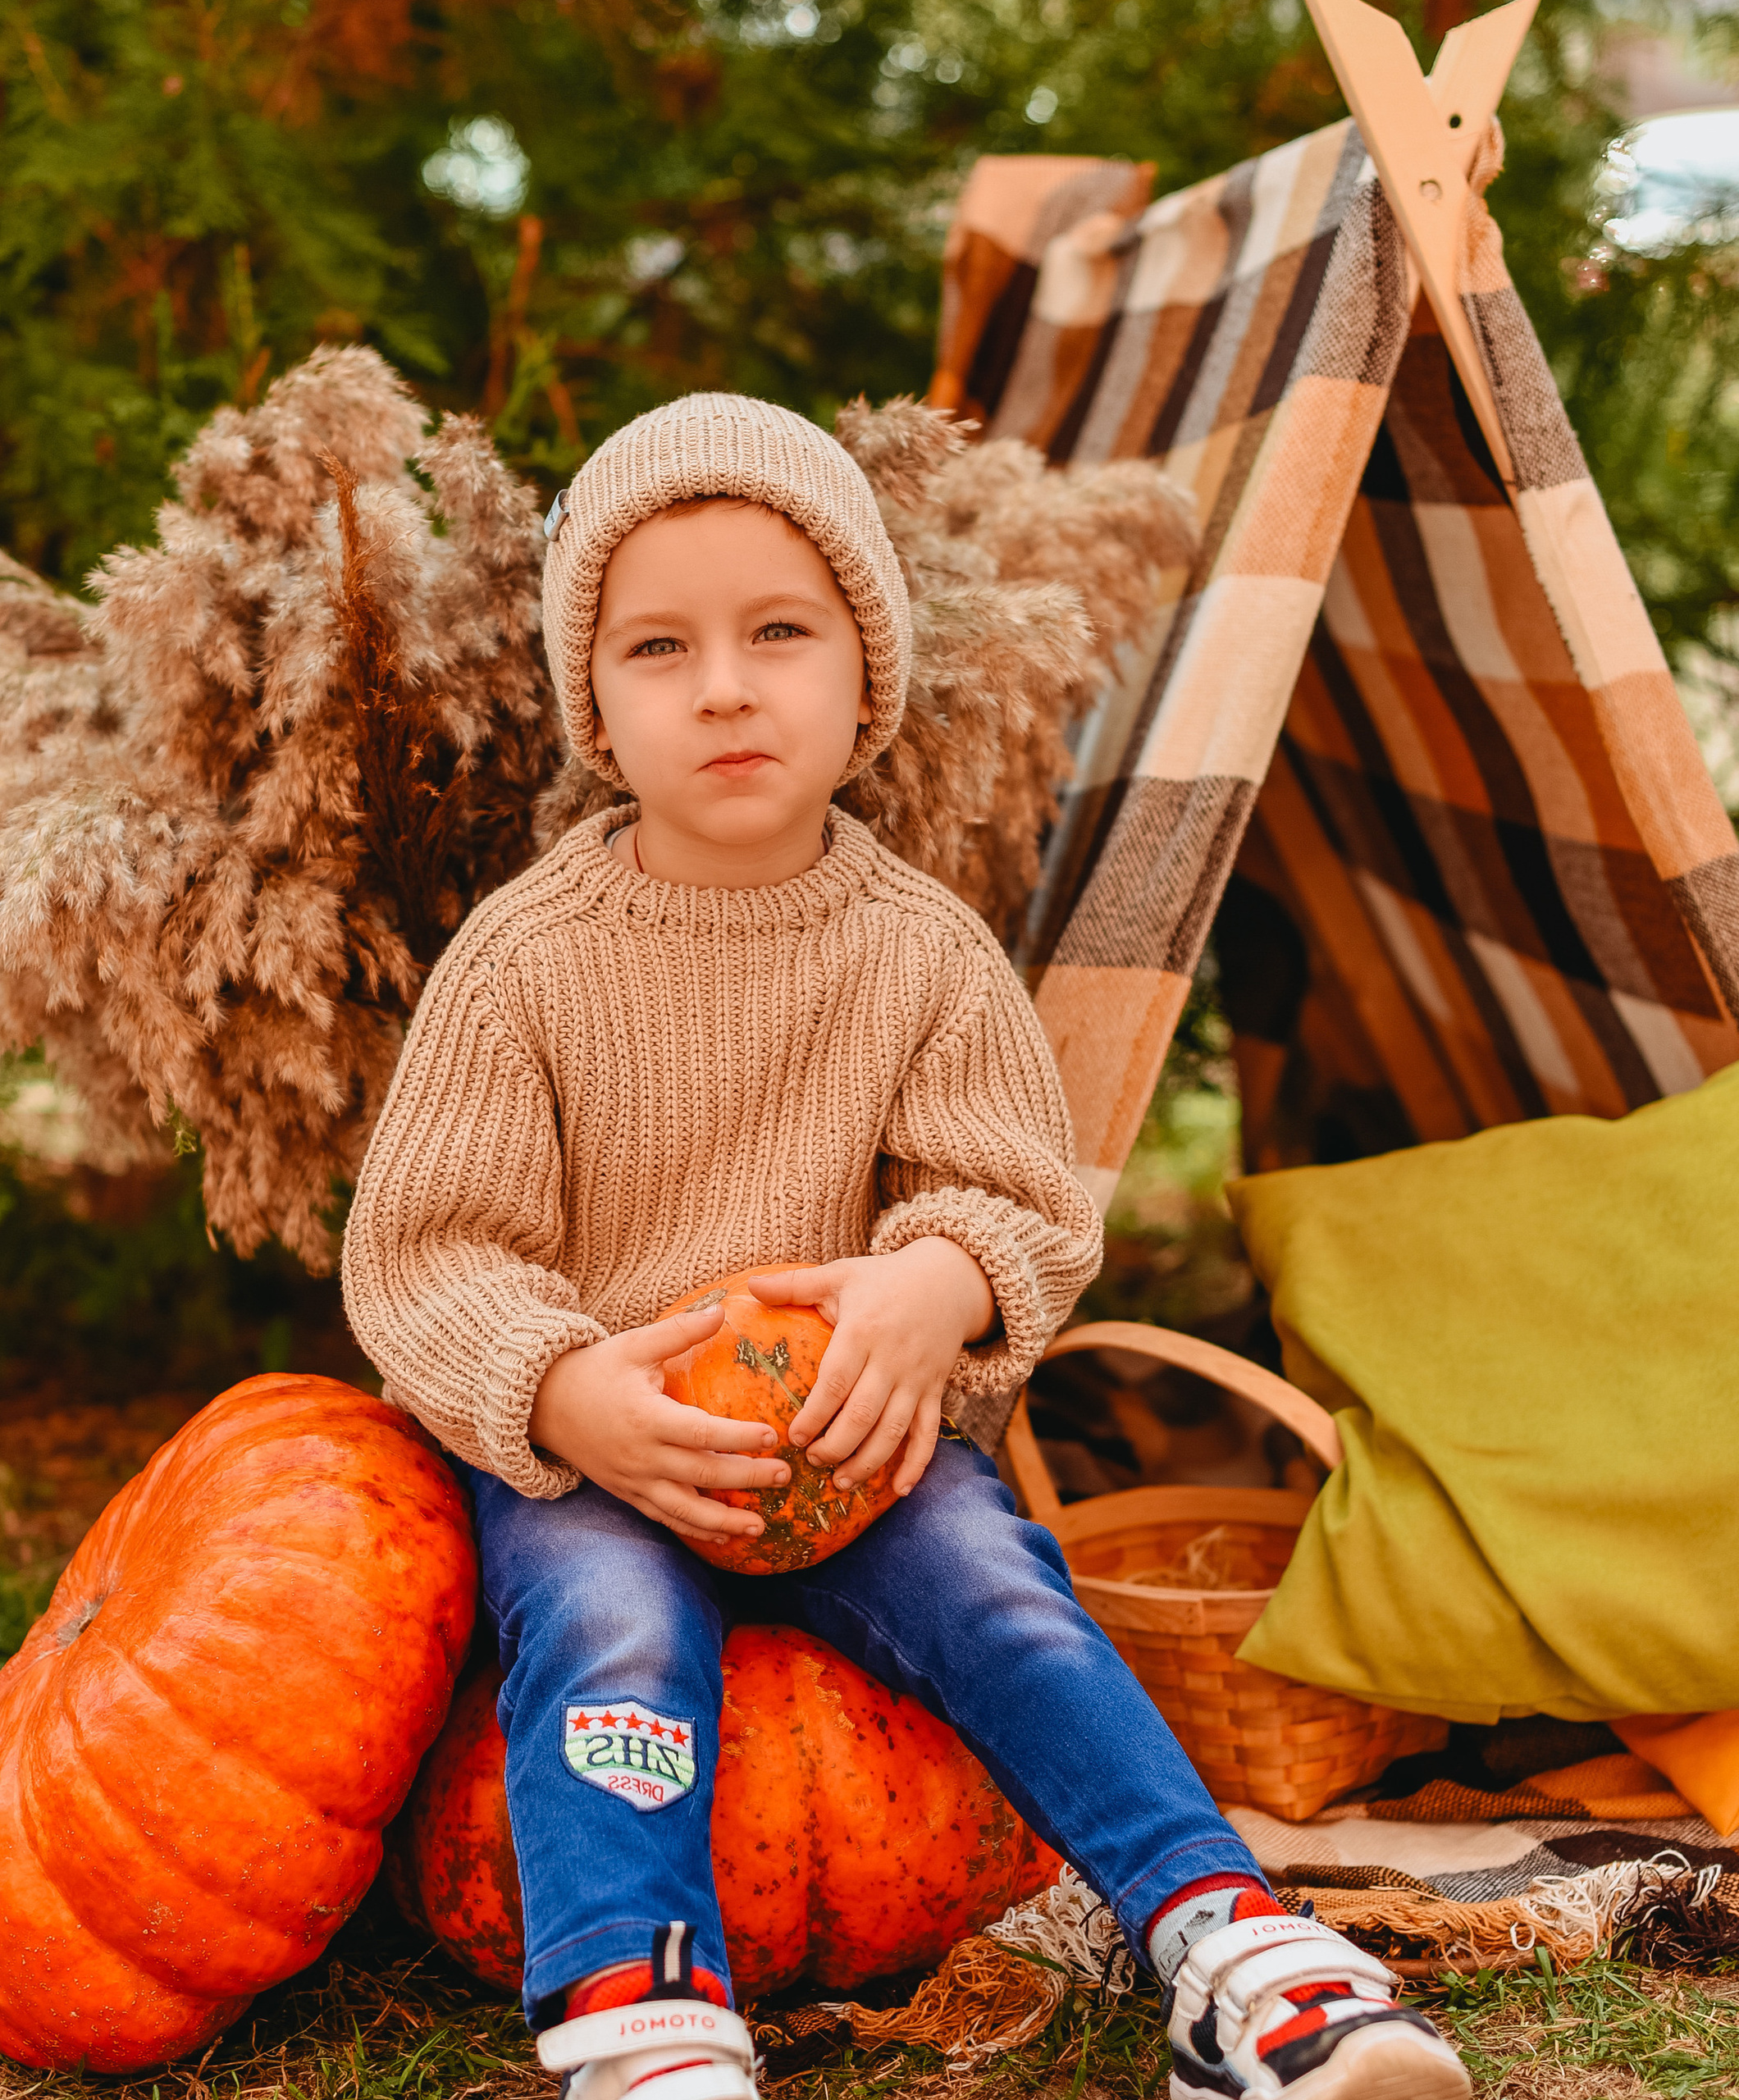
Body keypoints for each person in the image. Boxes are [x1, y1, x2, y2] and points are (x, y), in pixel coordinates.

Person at [341, 394, 1469, 2100]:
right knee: (607, 1630)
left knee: (1006, 1592)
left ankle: (1227, 1937)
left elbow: (1018, 1191)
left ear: (864, 681)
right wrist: (564, 1388)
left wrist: (934, 1285)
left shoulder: (920, 953)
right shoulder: (524, 963)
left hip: (856, 1446)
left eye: (776, 631)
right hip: (612, 1459)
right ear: (593, 706)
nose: (722, 683)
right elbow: (426, 1250)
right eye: (657, 645)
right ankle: (634, 2014)